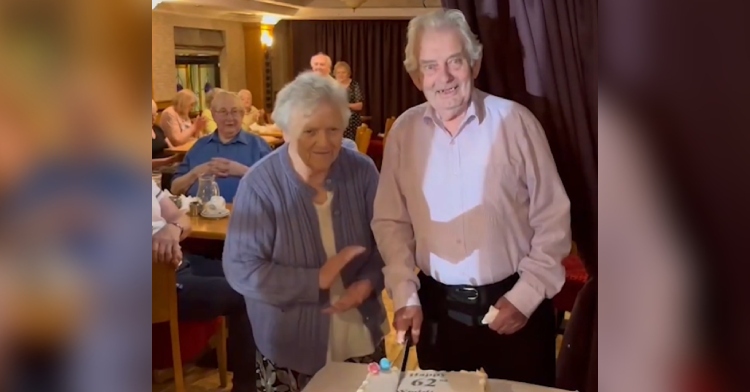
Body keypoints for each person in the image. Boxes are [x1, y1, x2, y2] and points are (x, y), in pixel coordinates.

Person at [371, 9, 571, 387]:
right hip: (437, 312)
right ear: (416, 77)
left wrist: (526, 296)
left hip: (516, 306)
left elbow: (554, 218)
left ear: (474, 65)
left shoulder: (517, 122)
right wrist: (404, 293)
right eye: (430, 66)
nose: (443, 77)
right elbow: (391, 222)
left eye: (454, 62)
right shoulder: (403, 133)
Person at [223, 71, 387, 392]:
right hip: (291, 345)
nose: (324, 143)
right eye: (309, 131)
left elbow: (386, 241)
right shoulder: (260, 185)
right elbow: (241, 269)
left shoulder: (363, 170)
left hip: (361, 334)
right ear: (284, 131)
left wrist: (368, 282)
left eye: (333, 130)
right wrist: (314, 281)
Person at [152, 180, 257, 392]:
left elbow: (182, 219)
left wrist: (173, 229)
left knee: (251, 275)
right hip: (153, 282)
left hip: (180, 263)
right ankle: (246, 388)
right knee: (246, 294)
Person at [171, 91, 272, 203]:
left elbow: (276, 187)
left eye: (234, 111)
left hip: (246, 216)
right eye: (223, 112)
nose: (229, 118)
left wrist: (243, 171)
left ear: (242, 114)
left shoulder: (258, 146)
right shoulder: (199, 147)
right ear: (213, 115)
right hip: (200, 217)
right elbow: (174, 189)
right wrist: (196, 172)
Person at [333, 61, 364, 140]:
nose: (340, 75)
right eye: (338, 72)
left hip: (351, 121)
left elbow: (360, 105)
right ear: (335, 74)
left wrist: (345, 105)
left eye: (343, 72)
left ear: (348, 73)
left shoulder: (354, 85)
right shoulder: (331, 85)